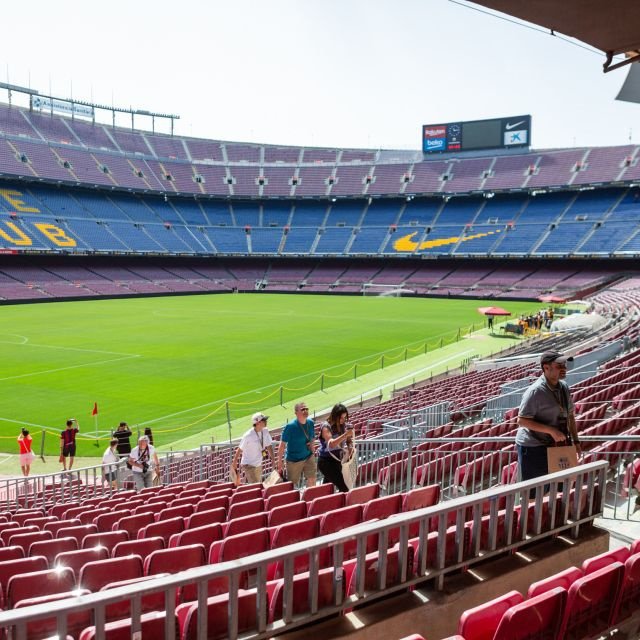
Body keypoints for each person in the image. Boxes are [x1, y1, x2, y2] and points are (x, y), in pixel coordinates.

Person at [516, 351, 581, 482]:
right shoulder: (535, 391)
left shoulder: (564, 387)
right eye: (559, 366)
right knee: (534, 490)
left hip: (553, 445)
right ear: (546, 368)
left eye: (564, 365)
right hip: (533, 447)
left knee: (555, 486)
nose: (564, 368)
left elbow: (570, 416)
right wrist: (551, 430)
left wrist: (576, 441)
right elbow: (521, 421)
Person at [277, 402, 317, 488]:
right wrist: (279, 463)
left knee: (312, 479)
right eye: (303, 409)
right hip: (294, 460)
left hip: (308, 456)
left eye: (306, 409)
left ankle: (309, 499)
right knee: (292, 485)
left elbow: (312, 437)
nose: (305, 411)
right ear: (296, 413)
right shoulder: (290, 426)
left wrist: (312, 448)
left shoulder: (310, 423)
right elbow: (282, 445)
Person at [317, 403, 354, 492]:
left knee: (326, 488)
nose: (343, 420)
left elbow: (349, 441)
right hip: (326, 462)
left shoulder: (343, 425)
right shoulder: (326, 426)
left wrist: (350, 447)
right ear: (335, 416)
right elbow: (331, 444)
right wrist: (345, 435)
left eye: (345, 418)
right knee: (344, 487)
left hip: (337, 460)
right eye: (341, 418)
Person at [231, 412, 274, 484]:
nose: (266, 422)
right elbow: (240, 449)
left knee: (257, 485)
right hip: (248, 465)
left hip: (258, 464)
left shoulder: (265, 431)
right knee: (256, 485)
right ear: (257, 422)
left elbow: (269, 445)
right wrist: (234, 463)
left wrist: (273, 459)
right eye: (264, 420)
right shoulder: (248, 435)